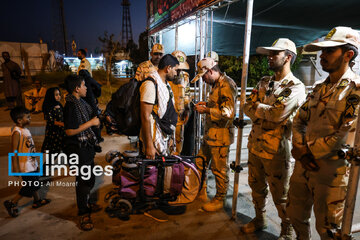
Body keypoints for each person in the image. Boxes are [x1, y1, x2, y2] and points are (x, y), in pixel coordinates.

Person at [287, 26, 360, 240]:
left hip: (331, 173)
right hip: (304, 164)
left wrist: (305, 150)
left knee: (328, 230)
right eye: (322, 51)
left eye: (329, 51)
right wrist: (299, 148)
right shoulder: (320, 88)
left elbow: (343, 135)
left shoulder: (355, 91)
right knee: (295, 214)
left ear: (348, 54)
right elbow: (299, 119)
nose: (322, 56)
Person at [241, 38, 306, 239]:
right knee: (256, 187)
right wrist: (265, 110)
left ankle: (288, 229)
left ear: (288, 57)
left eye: (274, 53)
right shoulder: (264, 81)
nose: (269, 57)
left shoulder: (295, 87)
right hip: (255, 145)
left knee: (281, 195)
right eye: (269, 53)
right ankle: (260, 219)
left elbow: (278, 115)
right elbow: (246, 107)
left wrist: (258, 107)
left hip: (277, 151)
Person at [193, 57, 237, 212]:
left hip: (221, 136)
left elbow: (228, 114)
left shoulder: (226, 85)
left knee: (219, 169)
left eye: (204, 76)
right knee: (200, 162)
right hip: (211, 134)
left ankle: (220, 199)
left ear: (210, 71)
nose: (203, 80)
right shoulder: (217, 84)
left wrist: (206, 110)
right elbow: (219, 105)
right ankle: (201, 191)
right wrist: (207, 105)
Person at [63, 75, 102, 231]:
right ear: (77, 88)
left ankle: (87, 203)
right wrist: (91, 123)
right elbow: (70, 131)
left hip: (86, 146)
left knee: (90, 178)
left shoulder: (80, 102)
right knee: (83, 181)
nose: (86, 88)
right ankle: (83, 212)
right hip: (78, 149)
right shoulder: (71, 106)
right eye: (84, 85)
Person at [3, 107, 51, 217]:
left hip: (31, 163)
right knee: (30, 185)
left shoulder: (25, 130)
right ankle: (12, 202)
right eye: (28, 117)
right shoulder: (17, 132)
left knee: (34, 182)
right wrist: (15, 167)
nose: (30, 118)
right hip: (25, 166)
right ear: (19, 120)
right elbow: (14, 151)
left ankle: (37, 201)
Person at [140, 54, 179, 159]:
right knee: (152, 173)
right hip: (153, 139)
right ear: (168, 68)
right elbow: (145, 116)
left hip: (163, 135)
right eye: (175, 70)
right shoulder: (150, 84)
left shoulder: (165, 84)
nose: (176, 73)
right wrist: (149, 146)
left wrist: (170, 136)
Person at [169, 50, 191, 155]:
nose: (179, 71)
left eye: (181, 69)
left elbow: (187, 94)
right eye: (177, 69)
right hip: (167, 118)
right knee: (167, 144)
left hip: (180, 117)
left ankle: (176, 167)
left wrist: (187, 109)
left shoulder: (185, 76)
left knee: (179, 142)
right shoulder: (165, 77)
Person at [41, 87, 65, 154]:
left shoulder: (59, 105)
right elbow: (51, 121)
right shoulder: (49, 107)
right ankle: (46, 164)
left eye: (59, 94)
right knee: (54, 152)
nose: (59, 96)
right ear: (51, 96)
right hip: (54, 132)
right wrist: (63, 124)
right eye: (56, 95)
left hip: (62, 132)